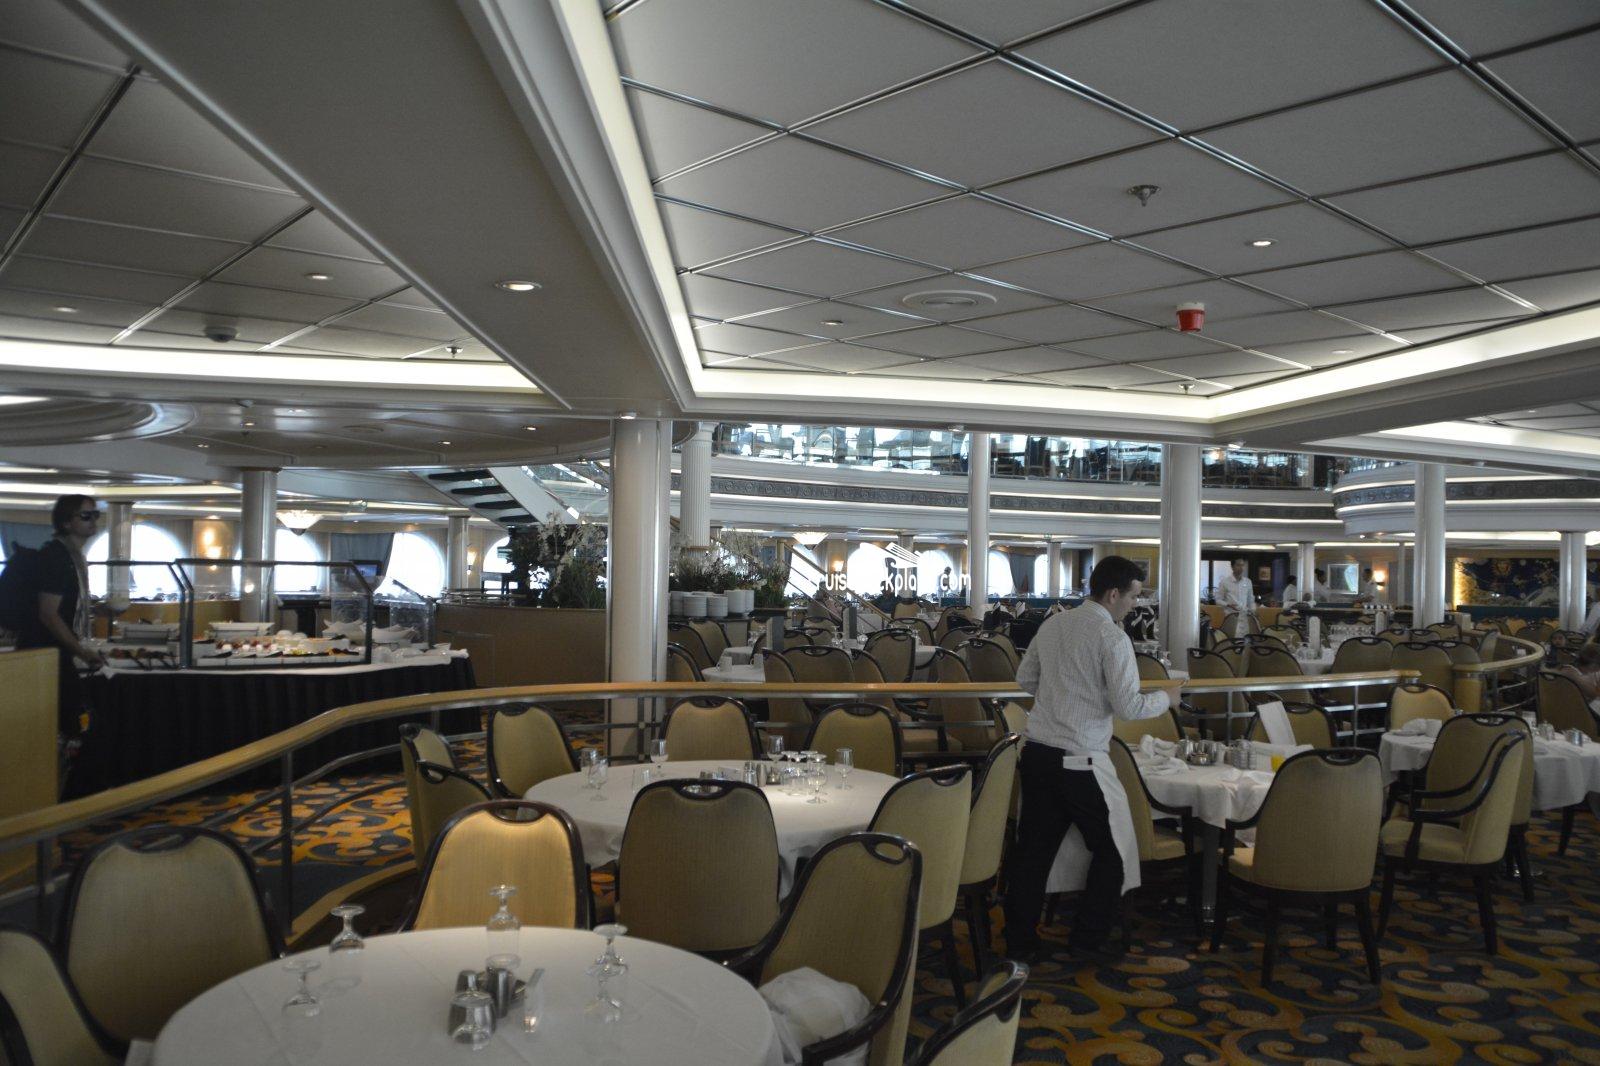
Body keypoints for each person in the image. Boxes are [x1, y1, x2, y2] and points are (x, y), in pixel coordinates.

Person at [1003, 555, 1182, 964]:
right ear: (1113, 594)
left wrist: (1063, 692)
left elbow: (1025, 679)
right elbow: (1129, 707)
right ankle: (1088, 940)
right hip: (1079, 760)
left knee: (1033, 854)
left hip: (1038, 753)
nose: (1134, 606)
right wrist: (1167, 698)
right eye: (1133, 597)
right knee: (1114, 850)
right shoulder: (1112, 638)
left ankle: (1019, 942)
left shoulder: (1054, 624)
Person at [13, 495, 106, 744]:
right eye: (85, 515)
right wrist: (82, 652)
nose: (92, 520)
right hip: (43, 653)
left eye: (95, 514)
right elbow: (48, 613)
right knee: (66, 723)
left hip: (55, 651)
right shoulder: (57, 558)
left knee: (69, 720)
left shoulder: (72, 557)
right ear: (66, 522)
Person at [1557, 644, 1600, 713]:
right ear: (1593, 665)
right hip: (1573, 711)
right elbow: (1594, 694)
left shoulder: (1581, 671)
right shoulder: (1570, 672)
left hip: (1581, 707)